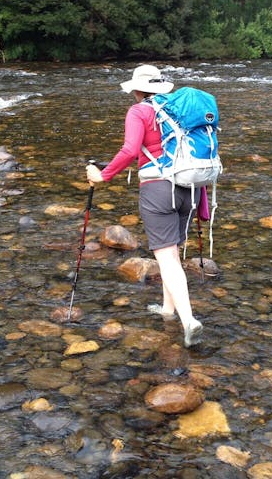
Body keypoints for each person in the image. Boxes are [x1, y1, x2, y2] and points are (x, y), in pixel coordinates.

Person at [86, 64, 204, 347]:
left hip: (159, 190)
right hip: (193, 187)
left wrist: (102, 175)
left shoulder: (139, 111)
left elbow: (129, 150)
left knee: (167, 258)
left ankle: (189, 321)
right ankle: (168, 308)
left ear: (137, 90)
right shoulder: (180, 110)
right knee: (172, 253)